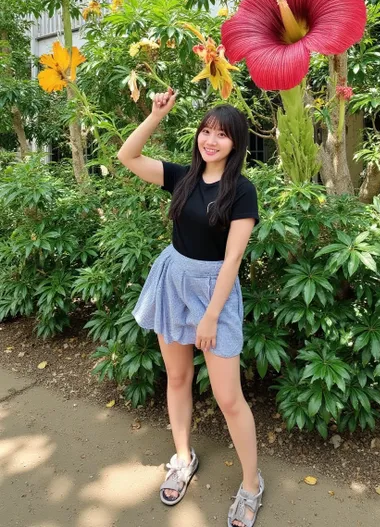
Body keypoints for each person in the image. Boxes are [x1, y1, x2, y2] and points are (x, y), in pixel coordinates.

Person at [117, 88, 264, 527]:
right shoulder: (182, 176)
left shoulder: (242, 192)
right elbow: (128, 155)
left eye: (221, 134)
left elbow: (233, 259)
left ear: (235, 143)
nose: (210, 140)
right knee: (177, 377)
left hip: (213, 293)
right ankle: (183, 458)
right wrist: (156, 114)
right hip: (173, 280)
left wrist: (211, 315)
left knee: (228, 397)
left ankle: (252, 485)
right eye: (206, 130)